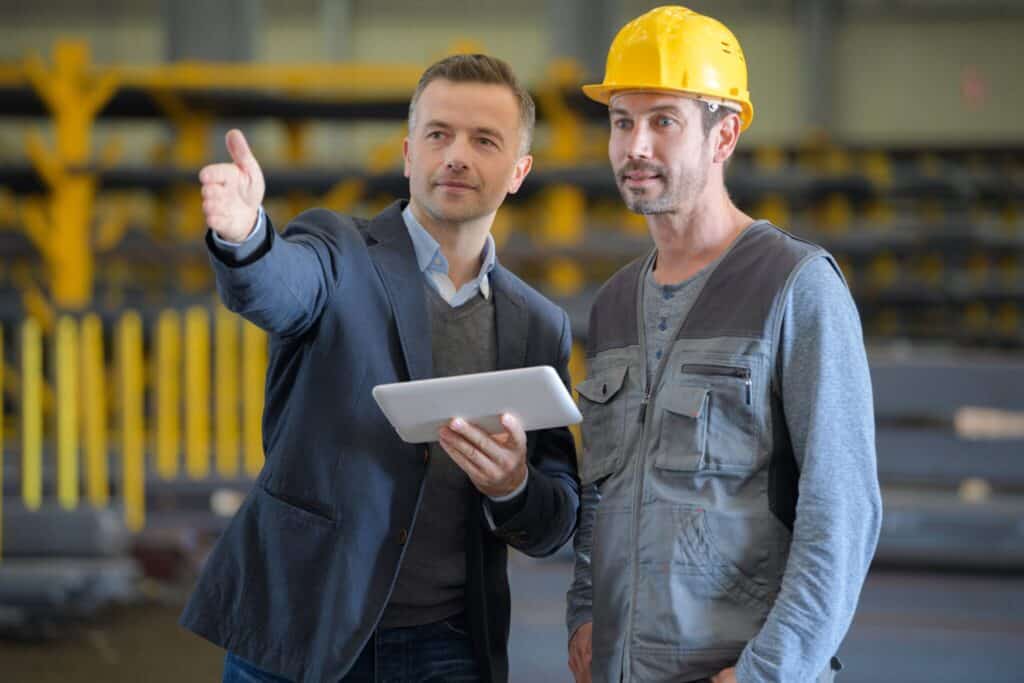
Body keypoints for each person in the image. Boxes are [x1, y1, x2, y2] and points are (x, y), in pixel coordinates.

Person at [179, 53, 580, 683]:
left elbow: (555, 518)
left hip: (448, 646)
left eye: (484, 140)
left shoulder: (537, 325)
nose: (456, 155)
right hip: (300, 629)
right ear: (407, 153)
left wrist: (513, 488)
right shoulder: (337, 251)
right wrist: (247, 236)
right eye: (438, 134)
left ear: (518, 171)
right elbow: (280, 285)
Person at [565, 7, 882, 682]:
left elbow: (842, 513)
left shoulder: (795, 286)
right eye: (622, 121)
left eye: (664, 121)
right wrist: (586, 610)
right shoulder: (617, 303)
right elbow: (604, 486)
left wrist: (767, 671)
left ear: (724, 134)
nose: (636, 146)